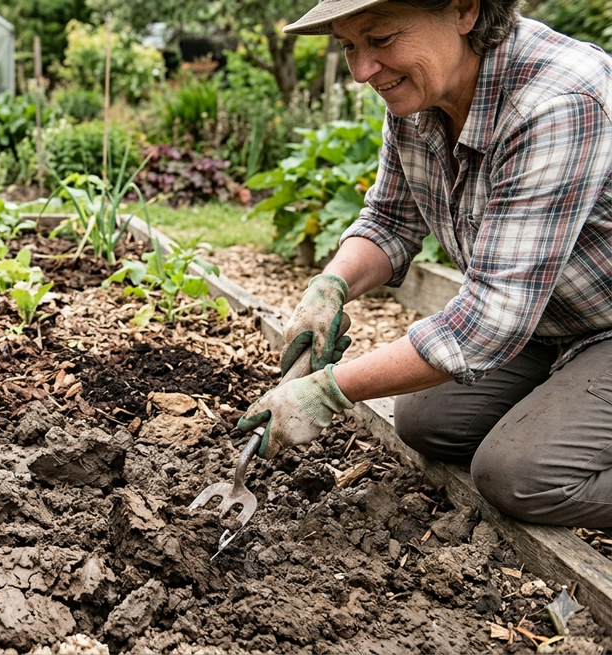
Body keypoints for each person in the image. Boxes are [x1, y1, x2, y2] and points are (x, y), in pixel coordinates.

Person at [238, 0, 612, 528]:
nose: (363, 70)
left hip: (602, 323)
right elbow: (390, 220)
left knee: (520, 476)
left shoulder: (557, 101)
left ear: (463, 10)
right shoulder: (421, 96)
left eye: (383, 39)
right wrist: (331, 285)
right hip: (551, 323)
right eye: (349, 47)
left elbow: (487, 320)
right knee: (428, 421)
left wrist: (328, 391)